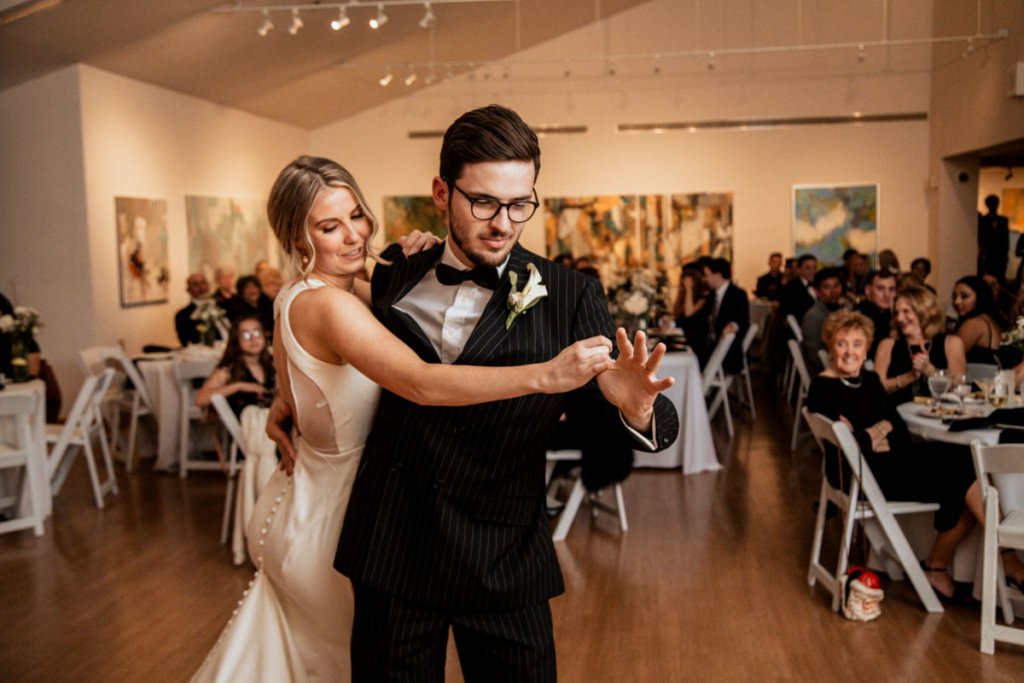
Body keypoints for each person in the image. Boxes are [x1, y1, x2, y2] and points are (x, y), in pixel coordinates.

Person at [806, 310, 1024, 599]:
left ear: (867, 346)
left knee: (965, 463)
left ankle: (944, 566)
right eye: (842, 343)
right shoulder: (822, 386)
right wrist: (873, 433)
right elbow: (849, 441)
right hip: (862, 476)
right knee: (963, 475)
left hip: (887, 461)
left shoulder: (869, 380)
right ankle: (995, 562)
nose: (849, 352)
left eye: (857, 344)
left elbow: (894, 425)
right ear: (830, 344)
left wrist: (874, 432)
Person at [874, 284, 966, 406]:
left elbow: (958, 389)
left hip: (939, 415)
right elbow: (875, 390)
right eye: (896, 313)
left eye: (906, 311)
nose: (900, 318)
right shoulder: (887, 345)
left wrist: (931, 372)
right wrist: (910, 376)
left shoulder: (952, 343)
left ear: (924, 312)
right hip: (896, 417)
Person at [194, 314, 275, 418]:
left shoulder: (272, 363)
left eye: (256, 333)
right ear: (236, 340)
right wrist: (239, 386)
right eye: (245, 335)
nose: (253, 339)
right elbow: (200, 400)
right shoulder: (228, 369)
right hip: (247, 426)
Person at [952, 275, 1015, 367]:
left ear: (980, 296)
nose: (956, 301)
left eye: (964, 296)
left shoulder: (974, 323)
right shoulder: (989, 319)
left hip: (976, 379)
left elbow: (951, 357)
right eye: (954, 296)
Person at [701, 257, 749, 374]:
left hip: (727, 353)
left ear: (717, 275)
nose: (705, 278)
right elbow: (701, 319)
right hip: (709, 346)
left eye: (707, 275)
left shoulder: (738, 294)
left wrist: (732, 326)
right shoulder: (713, 295)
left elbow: (742, 319)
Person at [800, 267, 844, 373]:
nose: (833, 291)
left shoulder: (843, 309)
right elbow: (815, 358)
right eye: (827, 287)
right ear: (817, 291)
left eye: (836, 286)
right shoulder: (814, 316)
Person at [855, 269, 896, 361]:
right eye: (880, 289)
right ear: (868, 291)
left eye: (891, 289)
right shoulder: (858, 318)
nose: (887, 295)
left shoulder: (897, 315)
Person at [174, 272, 224, 346]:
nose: (201, 287)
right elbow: (186, 343)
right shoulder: (183, 315)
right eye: (195, 284)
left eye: (203, 283)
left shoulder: (222, 306)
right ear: (188, 289)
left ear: (209, 285)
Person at [672, 263, 709, 347]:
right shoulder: (684, 296)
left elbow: (689, 314)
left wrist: (689, 289)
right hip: (681, 339)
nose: (682, 285)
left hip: (693, 343)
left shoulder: (702, 298)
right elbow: (676, 313)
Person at [978, 194, 1010, 282]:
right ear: (987, 205)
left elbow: (1006, 239)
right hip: (988, 254)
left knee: (1000, 277)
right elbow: (981, 238)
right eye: (991, 204)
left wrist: (1006, 253)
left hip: (1001, 255)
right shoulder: (983, 220)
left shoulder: (1004, 220)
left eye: (995, 203)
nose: (993, 206)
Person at [780, 254, 817, 323]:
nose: (812, 271)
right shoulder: (791, 288)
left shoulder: (819, 285)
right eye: (808, 268)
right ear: (799, 270)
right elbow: (788, 314)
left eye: (814, 268)